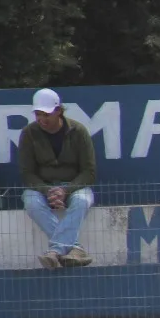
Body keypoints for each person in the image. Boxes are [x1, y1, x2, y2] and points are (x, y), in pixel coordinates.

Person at [19, 88, 96, 268]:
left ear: (58, 111)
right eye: (38, 114)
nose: (41, 119)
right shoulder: (29, 133)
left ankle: (55, 251)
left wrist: (65, 190)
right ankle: (75, 249)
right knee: (31, 202)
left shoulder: (78, 131)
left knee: (82, 201)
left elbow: (89, 172)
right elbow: (27, 173)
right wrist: (48, 191)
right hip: (43, 188)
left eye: (46, 114)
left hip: (75, 186)